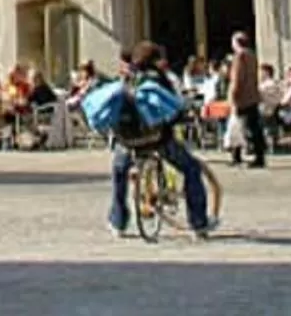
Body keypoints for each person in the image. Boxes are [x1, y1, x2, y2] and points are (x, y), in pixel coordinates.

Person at [100, 41, 213, 238]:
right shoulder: (159, 80)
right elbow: (172, 108)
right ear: (156, 60)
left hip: (128, 140)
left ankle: (118, 221)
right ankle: (199, 223)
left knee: (119, 172)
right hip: (157, 138)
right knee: (191, 168)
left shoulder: (126, 79)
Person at [223, 31, 267, 169]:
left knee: (241, 126)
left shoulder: (240, 56)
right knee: (253, 127)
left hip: (242, 97)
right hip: (253, 95)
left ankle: (243, 155)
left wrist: (233, 95)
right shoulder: (252, 55)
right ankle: (256, 155)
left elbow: (238, 77)